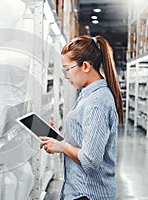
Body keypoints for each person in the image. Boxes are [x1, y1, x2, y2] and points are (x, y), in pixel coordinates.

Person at [40, 35, 123, 200]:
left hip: (88, 194)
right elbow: (86, 141)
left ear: (85, 66)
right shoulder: (88, 94)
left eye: (66, 69)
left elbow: (91, 161)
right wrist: (60, 140)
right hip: (79, 190)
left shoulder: (96, 102)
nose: (65, 76)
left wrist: (63, 147)